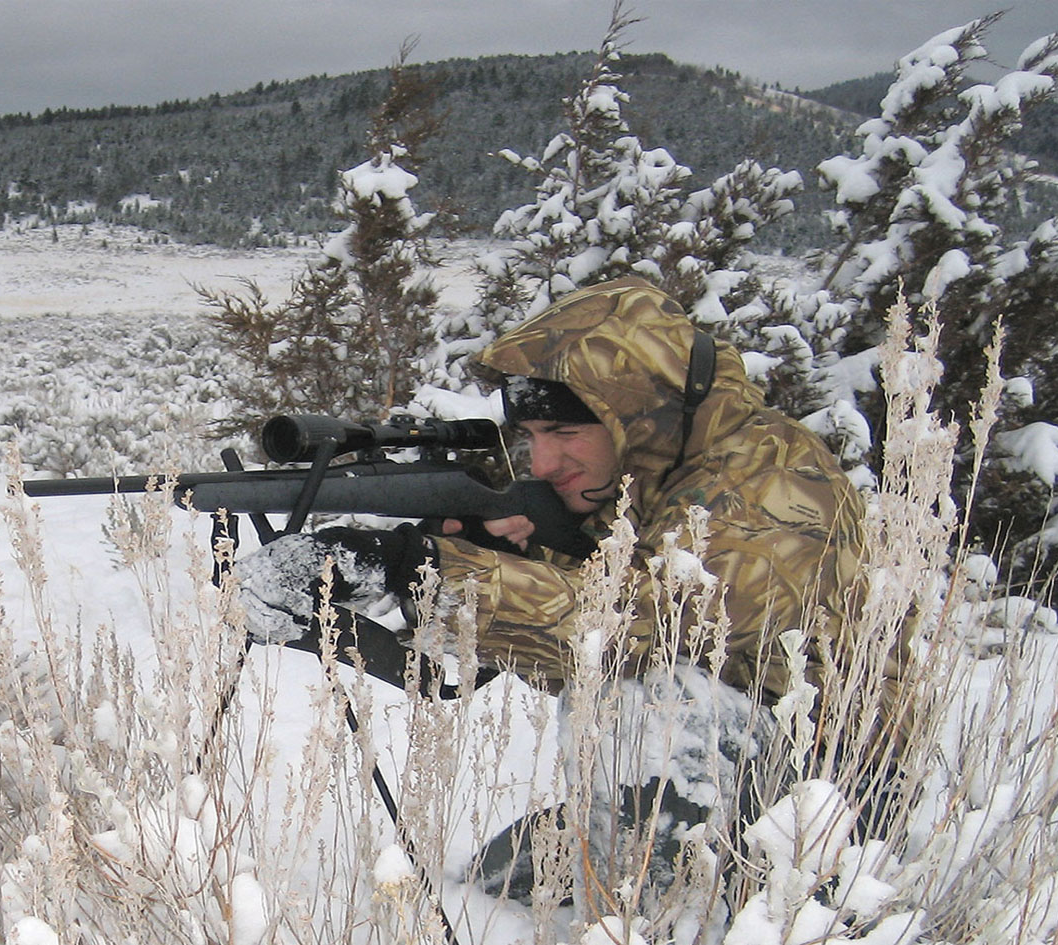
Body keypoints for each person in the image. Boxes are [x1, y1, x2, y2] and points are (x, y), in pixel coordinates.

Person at [236, 276, 905, 914]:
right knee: (493, 888)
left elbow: (651, 628)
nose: (544, 463)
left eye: (564, 433)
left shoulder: (775, 480)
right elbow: (565, 634)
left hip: (832, 808)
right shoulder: (641, 484)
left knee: (650, 704)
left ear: (639, 415)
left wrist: (428, 571)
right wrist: (473, 560)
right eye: (531, 437)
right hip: (706, 787)